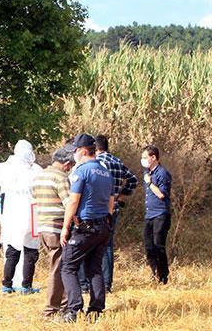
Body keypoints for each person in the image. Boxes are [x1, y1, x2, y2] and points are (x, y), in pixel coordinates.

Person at [59, 134, 114, 323]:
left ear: (82, 151)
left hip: (86, 227)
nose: (73, 154)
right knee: (95, 268)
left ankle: (73, 310)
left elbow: (73, 200)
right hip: (103, 226)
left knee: (68, 266)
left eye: (75, 151)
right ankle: (96, 310)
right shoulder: (105, 172)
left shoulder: (81, 171)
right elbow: (111, 202)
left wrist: (66, 227)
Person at [79, 134, 138, 293]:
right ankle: (107, 283)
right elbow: (133, 179)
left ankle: (90, 284)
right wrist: (121, 194)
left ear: (95, 148)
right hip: (114, 209)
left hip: (98, 209)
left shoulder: (99, 164)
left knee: (92, 247)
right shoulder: (117, 161)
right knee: (108, 246)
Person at [0, 140, 43, 294]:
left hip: (14, 211)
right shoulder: (34, 169)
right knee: (29, 247)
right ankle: (24, 285)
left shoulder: (5, 167)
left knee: (13, 246)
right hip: (30, 211)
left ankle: (8, 284)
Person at [31, 144, 75, 318]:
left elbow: (35, 200)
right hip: (56, 227)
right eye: (70, 165)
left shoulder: (38, 176)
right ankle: (51, 309)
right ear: (65, 163)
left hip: (43, 227)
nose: (70, 168)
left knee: (59, 266)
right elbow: (68, 203)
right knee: (58, 268)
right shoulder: (61, 177)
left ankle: (63, 304)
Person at [141, 144, 173, 284]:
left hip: (160, 214)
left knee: (158, 245)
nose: (142, 160)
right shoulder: (148, 173)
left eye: (145, 157)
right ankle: (154, 273)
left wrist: (149, 184)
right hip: (149, 214)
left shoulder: (162, 173)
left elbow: (161, 194)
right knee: (149, 246)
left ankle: (163, 276)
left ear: (153, 157)